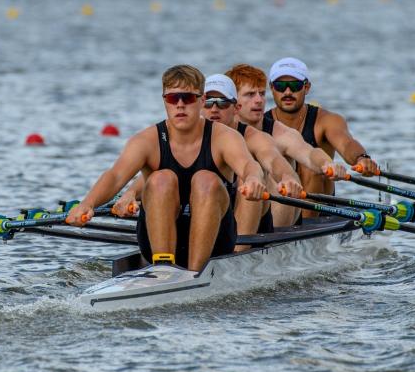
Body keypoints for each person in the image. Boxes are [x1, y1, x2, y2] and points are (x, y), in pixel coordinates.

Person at [65, 64, 265, 272]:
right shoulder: (147, 140)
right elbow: (116, 176)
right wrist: (87, 203)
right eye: (172, 98)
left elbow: (248, 164)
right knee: (162, 179)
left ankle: (195, 275)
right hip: (156, 239)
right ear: (164, 101)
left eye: (187, 98)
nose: (179, 105)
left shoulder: (223, 137)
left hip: (216, 241)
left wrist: (253, 179)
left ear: (201, 100)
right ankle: (163, 269)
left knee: (206, 179)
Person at [112, 74, 302, 240]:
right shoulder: (187, 137)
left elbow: (273, 159)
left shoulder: (253, 137)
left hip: (247, 222)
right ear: (200, 103)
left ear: (236, 108)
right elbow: (152, 172)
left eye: (222, 103)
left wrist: (287, 177)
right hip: (208, 217)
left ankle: (237, 254)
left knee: (249, 178)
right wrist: (129, 194)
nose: (214, 109)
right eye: (209, 102)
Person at [225, 63, 350, 225]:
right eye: (250, 95)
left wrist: (327, 164)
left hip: (277, 220)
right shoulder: (220, 131)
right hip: (234, 213)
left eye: (262, 94)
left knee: (265, 173)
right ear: (234, 101)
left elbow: (310, 153)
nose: (259, 101)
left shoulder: (280, 133)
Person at [262, 57, 379, 217]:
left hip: (318, 209)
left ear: (307, 87)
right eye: (280, 86)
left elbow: (346, 143)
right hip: (279, 209)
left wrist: (362, 158)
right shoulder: (260, 124)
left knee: (312, 166)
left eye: (295, 86)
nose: (287, 92)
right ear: (271, 88)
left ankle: (307, 228)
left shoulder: (327, 120)